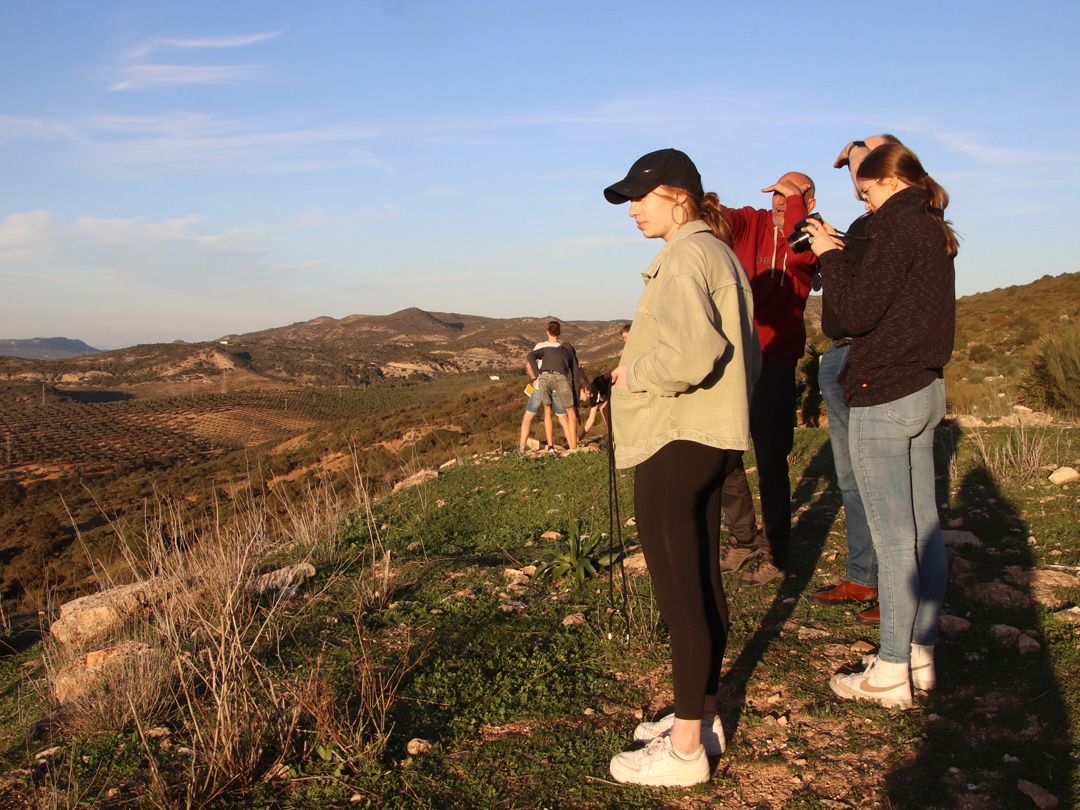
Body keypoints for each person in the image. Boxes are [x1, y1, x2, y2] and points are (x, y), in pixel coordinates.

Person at [603, 148, 761, 786]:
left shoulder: (686, 255)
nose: (633, 210)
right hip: (712, 436)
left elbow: (695, 353)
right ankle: (704, 716)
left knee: (679, 593)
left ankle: (687, 751)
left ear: (679, 195)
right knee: (701, 580)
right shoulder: (717, 252)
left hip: (677, 436)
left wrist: (631, 372)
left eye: (641, 197)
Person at [802, 142, 956, 708]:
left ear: (889, 182)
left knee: (894, 538)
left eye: (865, 192)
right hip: (924, 388)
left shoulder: (895, 228)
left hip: (883, 394)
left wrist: (830, 255)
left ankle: (891, 670)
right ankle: (919, 653)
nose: (863, 204)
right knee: (923, 529)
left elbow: (849, 316)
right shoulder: (932, 225)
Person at [809, 135, 902, 623]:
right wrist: (835, 248)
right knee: (850, 476)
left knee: (881, 478)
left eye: (864, 159)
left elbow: (875, 298)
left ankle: (896, 590)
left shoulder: (899, 224)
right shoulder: (864, 224)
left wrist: (834, 252)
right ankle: (864, 576)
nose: (854, 170)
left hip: (869, 359)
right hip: (839, 355)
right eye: (849, 164)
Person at [715, 173, 819, 587]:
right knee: (724, 452)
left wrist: (797, 208)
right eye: (777, 193)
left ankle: (775, 551)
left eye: (790, 196)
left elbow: (802, 262)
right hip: (734, 361)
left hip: (775, 364)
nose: (780, 201)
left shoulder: (810, 235)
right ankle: (743, 539)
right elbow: (717, 218)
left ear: (808, 202)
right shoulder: (752, 222)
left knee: (772, 463)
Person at [525, 321, 587, 451]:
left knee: (547, 410)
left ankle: (550, 446)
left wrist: (537, 375)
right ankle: (573, 447)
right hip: (559, 378)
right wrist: (576, 405)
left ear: (548, 332)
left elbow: (529, 356)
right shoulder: (569, 353)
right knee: (570, 413)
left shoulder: (547, 349)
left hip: (544, 378)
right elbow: (575, 377)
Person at [581, 323, 630, 437]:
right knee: (604, 408)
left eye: (625, 337)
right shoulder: (593, 398)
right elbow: (591, 419)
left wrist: (616, 377)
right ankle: (612, 434)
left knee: (605, 408)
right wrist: (581, 436)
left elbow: (610, 373)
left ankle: (614, 434)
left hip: (621, 387)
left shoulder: (596, 384)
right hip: (615, 395)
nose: (582, 400)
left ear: (582, 389)